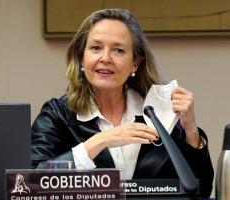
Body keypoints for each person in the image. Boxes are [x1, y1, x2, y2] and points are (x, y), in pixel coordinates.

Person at [31, 8, 214, 198]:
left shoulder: (159, 112)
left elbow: (200, 191)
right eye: (96, 48)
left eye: (118, 50)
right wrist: (99, 141)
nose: (105, 58)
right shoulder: (57, 115)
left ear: (135, 63)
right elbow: (30, 184)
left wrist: (191, 130)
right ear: (81, 58)